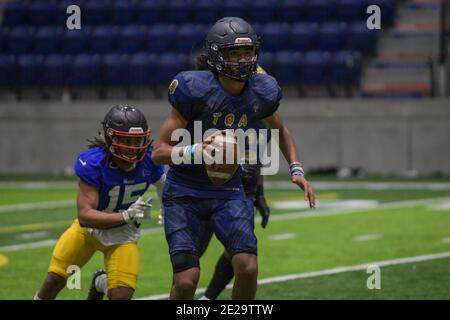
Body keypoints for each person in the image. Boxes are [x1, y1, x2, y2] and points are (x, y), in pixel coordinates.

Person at [152, 17, 316, 300]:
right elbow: (158, 153)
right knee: (186, 282)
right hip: (185, 192)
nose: (242, 60)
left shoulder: (262, 91)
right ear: (216, 56)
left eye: (247, 53)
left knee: (247, 266)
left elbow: (280, 129)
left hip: (229, 190)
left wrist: (297, 169)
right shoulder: (194, 89)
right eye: (234, 54)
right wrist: (196, 151)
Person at [34, 105, 166, 300]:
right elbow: (85, 216)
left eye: (137, 140)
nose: (132, 148)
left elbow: (165, 185)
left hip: (123, 236)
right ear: (110, 138)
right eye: (125, 140)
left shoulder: (150, 160)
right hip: (88, 233)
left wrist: (167, 209)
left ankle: (100, 283)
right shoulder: (95, 163)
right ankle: (100, 282)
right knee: (55, 280)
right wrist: (127, 215)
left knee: (120, 297)